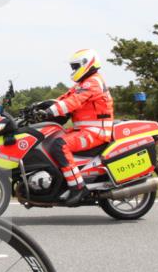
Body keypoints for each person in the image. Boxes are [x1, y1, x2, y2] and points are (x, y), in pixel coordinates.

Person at [33, 49, 114, 190]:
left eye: (76, 66)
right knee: (51, 138)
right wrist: (39, 106)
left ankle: (77, 187)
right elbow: (64, 98)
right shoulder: (82, 84)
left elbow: (74, 101)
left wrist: (49, 112)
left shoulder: (93, 82)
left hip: (96, 132)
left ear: (86, 63)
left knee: (59, 145)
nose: (74, 70)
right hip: (84, 130)